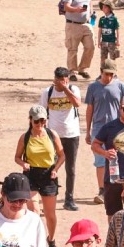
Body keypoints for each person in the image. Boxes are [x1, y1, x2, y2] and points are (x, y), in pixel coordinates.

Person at [15, 105, 66, 247]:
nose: (40, 124)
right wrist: (23, 164)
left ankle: (51, 239)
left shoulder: (52, 134)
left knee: (50, 214)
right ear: (30, 120)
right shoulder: (25, 137)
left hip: (49, 175)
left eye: (43, 120)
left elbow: (62, 155)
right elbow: (17, 157)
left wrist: (56, 169)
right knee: (34, 212)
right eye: (36, 121)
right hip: (31, 174)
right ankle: (36, 242)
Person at [84, 59, 124, 204]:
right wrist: (88, 131)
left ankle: (120, 188)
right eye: (106, 73)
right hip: (98, 128)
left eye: (111, 74)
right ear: (101, 71)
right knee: (100, 160)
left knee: (119, 158)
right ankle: (102, 189)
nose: (109, 77)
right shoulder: (93, 87)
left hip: (117, 128)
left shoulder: (121, 86)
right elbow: (90, 109)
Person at [41, 67, 83, 211]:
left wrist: (65, 89)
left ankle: (69, 199)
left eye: (63, 80)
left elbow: (77, 104)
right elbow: (42, 113)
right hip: (53, 136)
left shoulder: (73, 89)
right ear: (54, 79)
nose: (60, 83)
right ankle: (49, 198)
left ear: (67, 79)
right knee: (50, 167)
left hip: (71, 134)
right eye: (58, 80)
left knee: (70, 168)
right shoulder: (47, 92)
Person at [60, 0, 95, 81]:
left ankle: (82, 68)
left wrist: (91, 12)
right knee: (72, 49)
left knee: (90, 46)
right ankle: (72, 71)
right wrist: (76, 10)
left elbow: (90, 1)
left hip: (86, 23)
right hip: (73, 24)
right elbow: (66, 6)